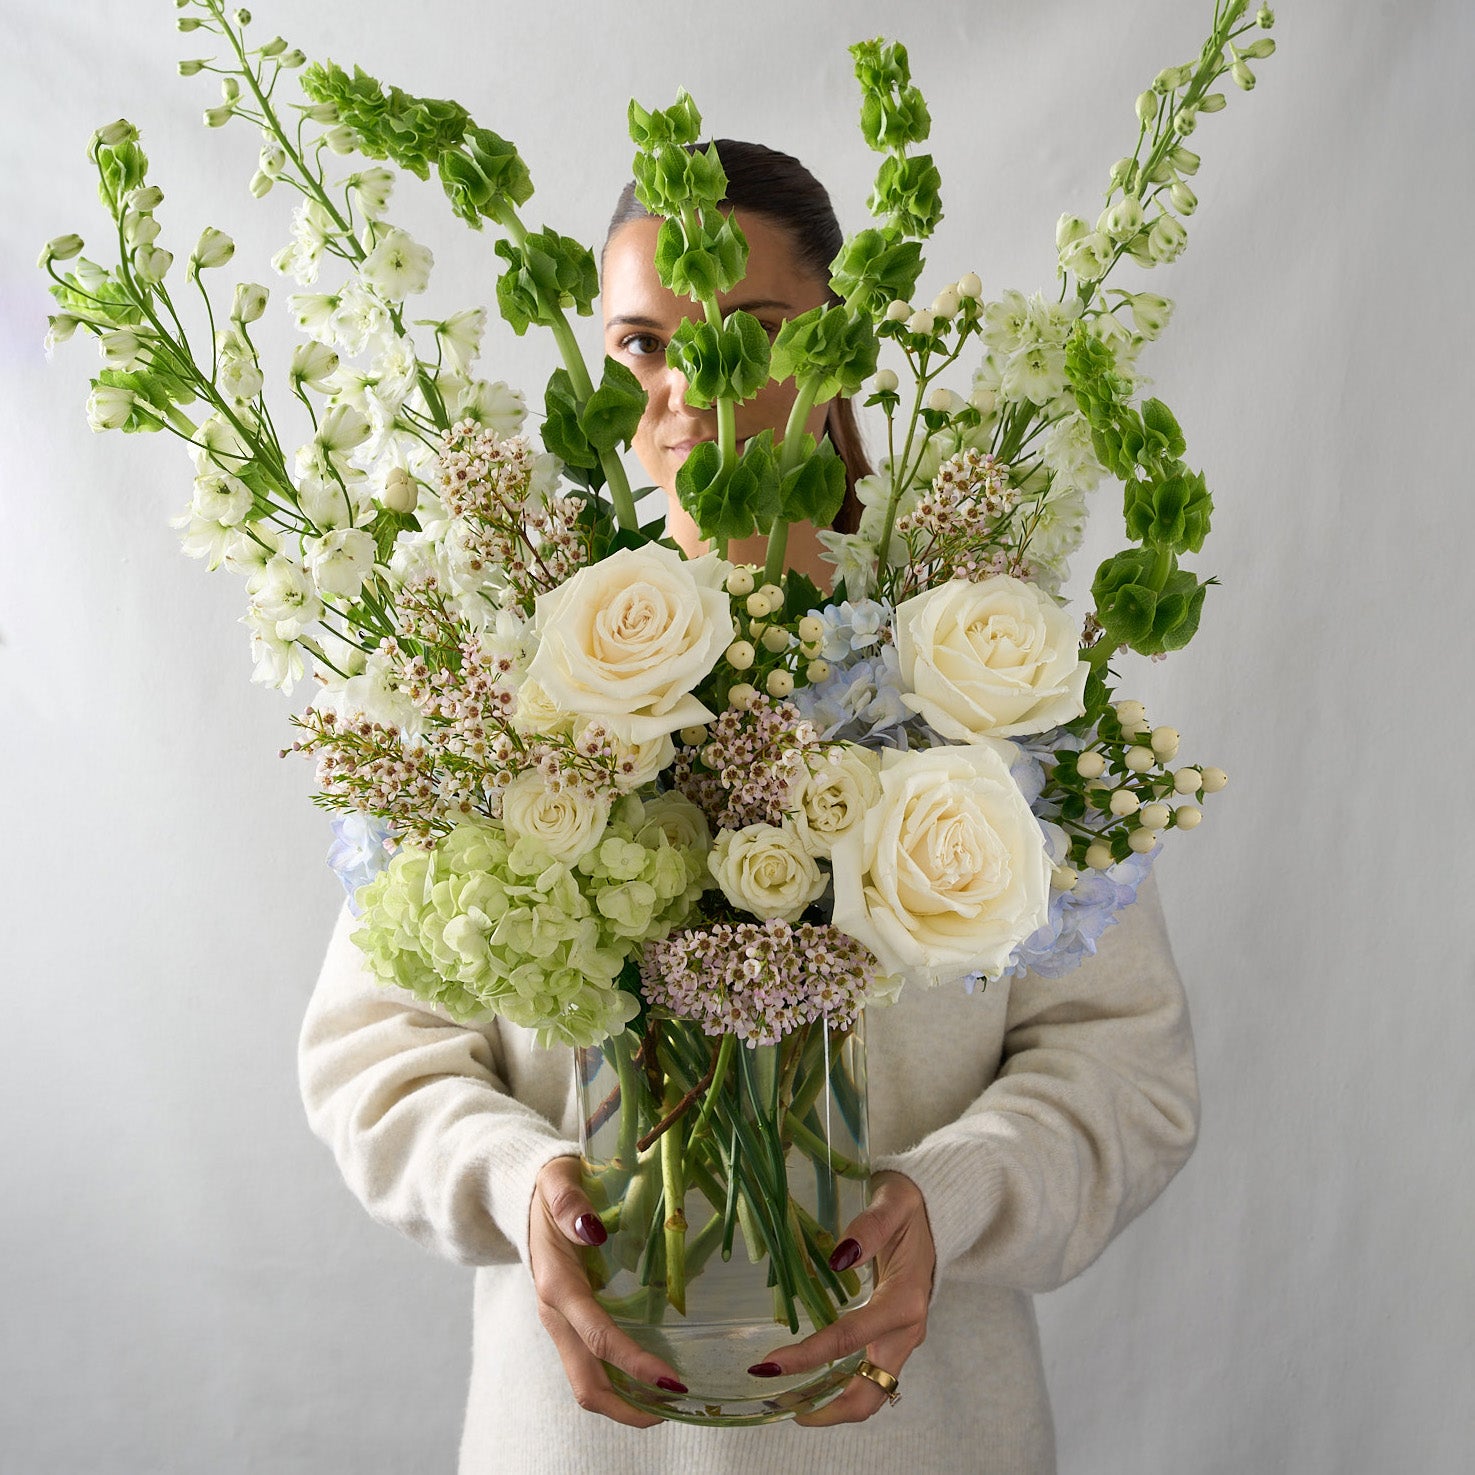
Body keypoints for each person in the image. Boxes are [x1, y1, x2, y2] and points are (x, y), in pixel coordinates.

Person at [298, 140, 1200, 1474]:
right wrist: (519, 1183)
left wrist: (948, 1201)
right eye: (644, 347)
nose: (689, 394)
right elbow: (376, 1059)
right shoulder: (504, 686)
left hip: (924, 1433)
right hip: (584, 1440)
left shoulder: (982, 678)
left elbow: (1125, 1072)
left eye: (750, 335)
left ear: (837, 349)